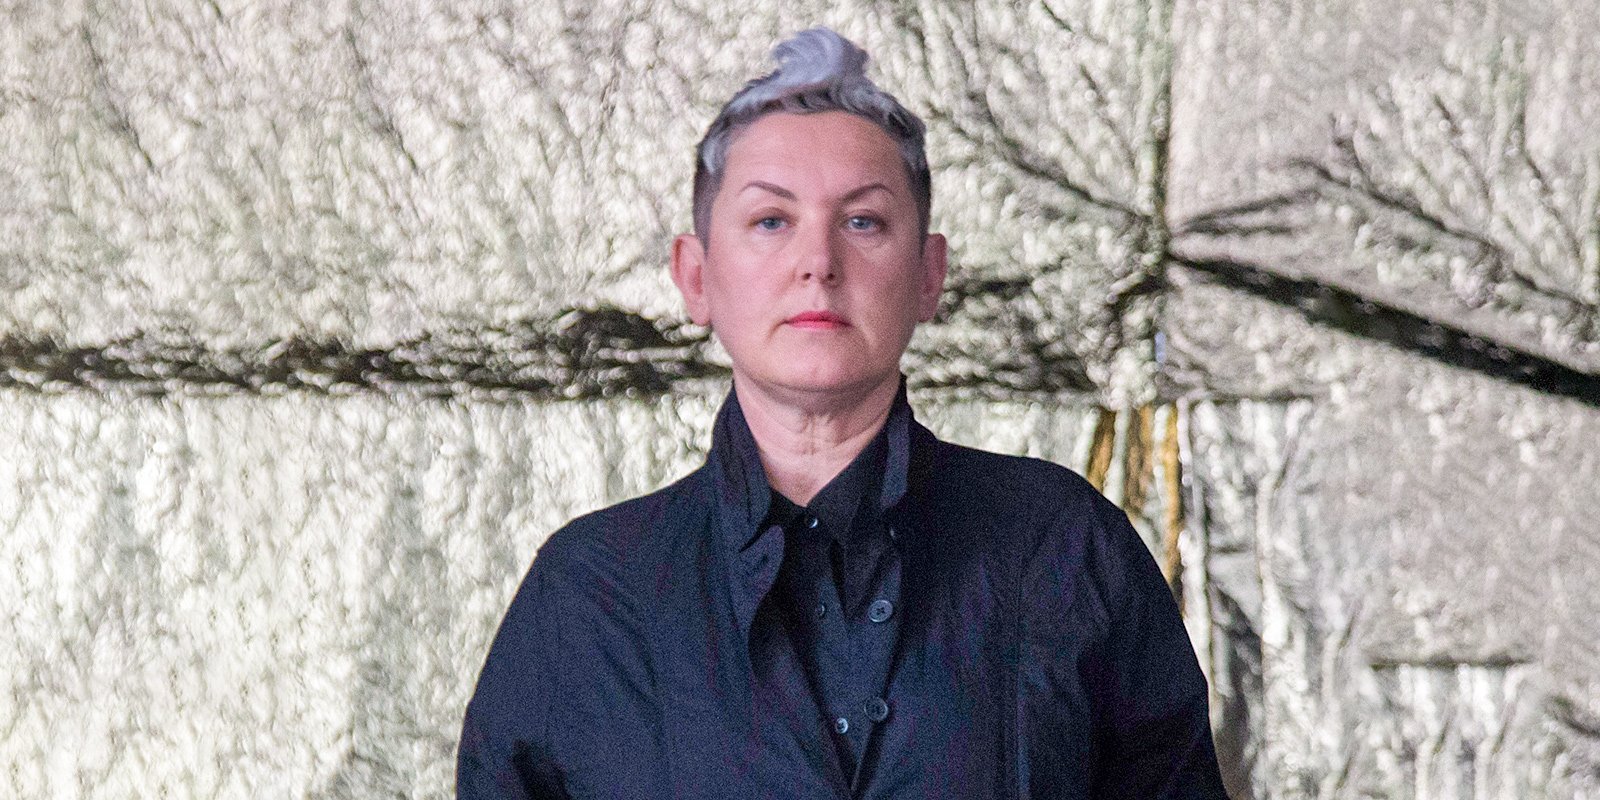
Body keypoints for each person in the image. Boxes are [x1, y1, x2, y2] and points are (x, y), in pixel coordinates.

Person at [458, 27, 1229, 800]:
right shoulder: (589, 595)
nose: (818, 263)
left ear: (929, 274)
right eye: (771, 220)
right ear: (695, 277)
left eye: (863, 221)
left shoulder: (1060, 549)